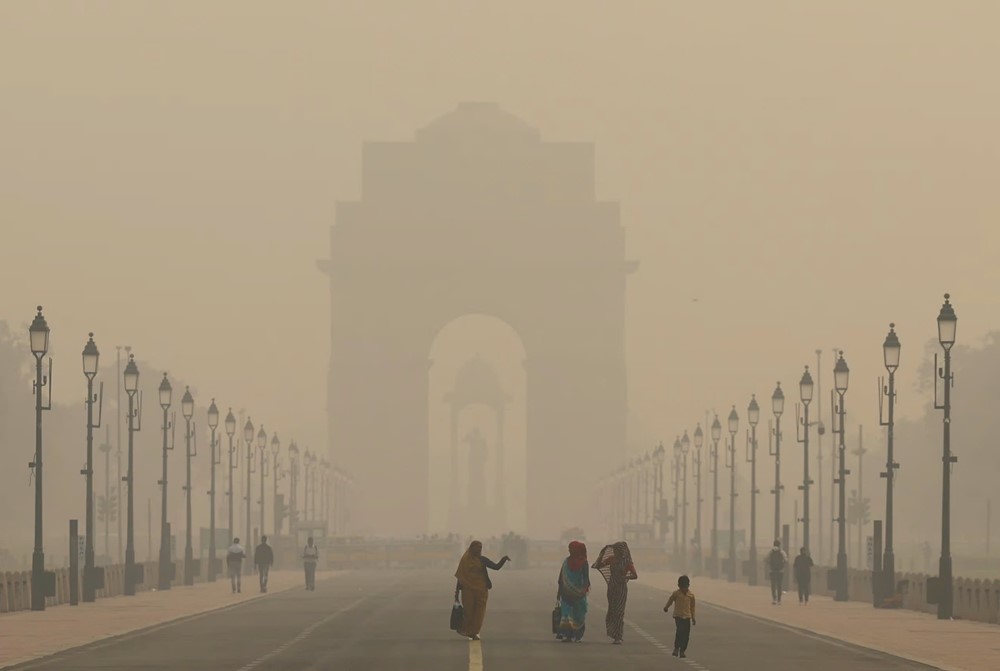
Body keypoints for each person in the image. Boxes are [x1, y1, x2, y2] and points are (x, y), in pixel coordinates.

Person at [453, 540, 510, 641]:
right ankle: (466, 629)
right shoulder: (465, 561)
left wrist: (503, 560)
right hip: (467, 590)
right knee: (469, 612)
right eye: (477, 548)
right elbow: (460, 577)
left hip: (481, 590)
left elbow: (495, 567)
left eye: (480, 548)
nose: (479, 550)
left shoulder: (482, 560)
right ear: (471, 548)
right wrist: (457, 593)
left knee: (479, 613)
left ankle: (473, 632)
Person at [593, 541, 637, 644]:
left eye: (617, 550)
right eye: (615, 550)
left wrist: (625, 577)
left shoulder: (627, 562)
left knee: (619, 612)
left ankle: (618, 636)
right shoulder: (612, 559)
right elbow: (597, 565)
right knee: (612, 610)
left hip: (621, 588)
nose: (616, 552)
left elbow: (635, 575)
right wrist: (601, 556)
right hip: (612, 588)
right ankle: (613, 633)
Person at [556, 541, 590, 642]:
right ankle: (568, 636)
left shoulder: (584, 562)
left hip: (578, 593)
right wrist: (558, 592)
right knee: (566, 614)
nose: (569, 550)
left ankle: (578, 635)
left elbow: (586, 578)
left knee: (578, 614)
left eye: (571, 549)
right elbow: (561, 578)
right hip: (565, 593)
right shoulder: (566, 561)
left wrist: (584, 589)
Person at [664, 574, 696, 658]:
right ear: (678, 586)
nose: (683, 589)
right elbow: (670, 600)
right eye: (682, 587)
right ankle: (676, 648)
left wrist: (693, 618)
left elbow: (692, 607)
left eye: (685, 587)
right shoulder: (676, 594)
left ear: (688, 586)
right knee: (680, 631)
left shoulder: (691, 596)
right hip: (678, 616)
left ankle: (682, 650)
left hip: (687, 616)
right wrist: (666, 607)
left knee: (686, 634)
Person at [767, 540, 788, 605]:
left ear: (774, 544)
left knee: (773, 585)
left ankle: (774, 599)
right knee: (779, 585)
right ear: (779, 545)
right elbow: (786, 560)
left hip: (772, 570)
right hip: (780, 571)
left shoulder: (770, 552)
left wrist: (770, 564)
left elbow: (766, 559)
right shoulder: (782, 552)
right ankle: (779, 600)